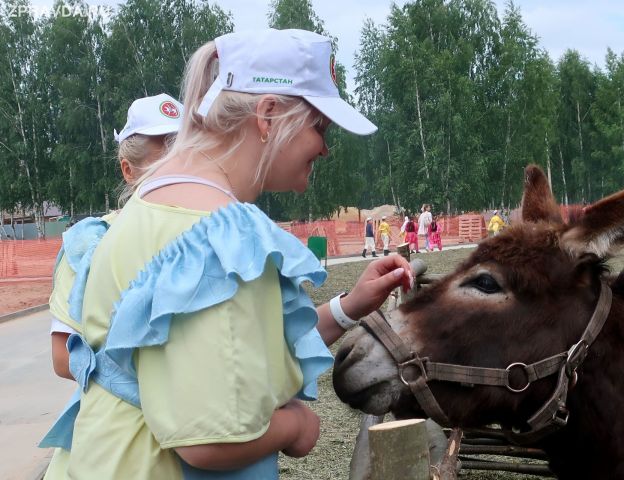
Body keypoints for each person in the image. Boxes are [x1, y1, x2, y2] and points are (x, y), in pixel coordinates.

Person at [40, 28, 412, 479]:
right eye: (321, 126)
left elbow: (232, 345)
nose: (326, 148)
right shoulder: (220, 234)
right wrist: (297, 426)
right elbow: (209, 438)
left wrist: (348, 306)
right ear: (268, 115)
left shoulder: (150, 210)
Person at [41, 94, 185, 477]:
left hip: (191, 436)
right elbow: (62, 356)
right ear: (128, 170)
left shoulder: (207, 234)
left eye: (185, 151)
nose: (175, 166)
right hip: (115, 443)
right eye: (162, 153)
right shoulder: (89, 242)